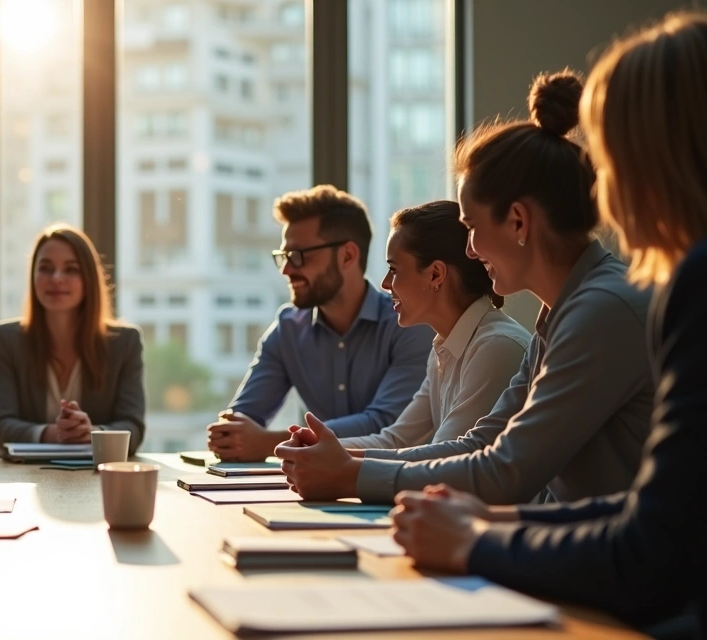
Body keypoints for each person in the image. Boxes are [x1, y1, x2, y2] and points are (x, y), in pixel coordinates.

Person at [390, 13, 707, 634]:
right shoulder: (571, 309)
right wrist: (490, 525)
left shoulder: (659, 292)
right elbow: (661, 515)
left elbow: (650, 552)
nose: (606, 199)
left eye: (612, 168)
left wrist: (474, 543)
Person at [276, 70, 654, 506]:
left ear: (518, 222)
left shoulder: (600, 312)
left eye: (471, 227)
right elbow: (484, 444)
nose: (470, 251)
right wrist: (346, 465)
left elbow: (505, 471)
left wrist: (350, 476)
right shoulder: (562, 314)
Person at [207, 185, 434, 461]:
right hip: (318, 485)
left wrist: (270, 443)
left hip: (395, 487)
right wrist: (233, 433)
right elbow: (243, 420)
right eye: (284, 257)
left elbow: (388, 425)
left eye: (299, 255)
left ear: (348, 256)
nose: (287, 270)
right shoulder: (288, 327)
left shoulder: (410, 325)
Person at [339, 200, 529, 451]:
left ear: (435, 274)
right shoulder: (444, 348)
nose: (385, 284)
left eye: (394, 270)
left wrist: (336, 461)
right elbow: (394, 441)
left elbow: (446, 456)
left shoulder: (497, 347)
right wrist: (319, 447)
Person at [0, 224, 146, 452]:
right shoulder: (6, 339)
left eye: (71, 269)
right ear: (33, 276)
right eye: (46, 268)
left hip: (96, 476)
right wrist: (52, 434)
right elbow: (1, 426)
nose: (57, 278)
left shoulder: (125, 342)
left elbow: (133, 427)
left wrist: (91, 433)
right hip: (29, 477)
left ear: (88, 279)